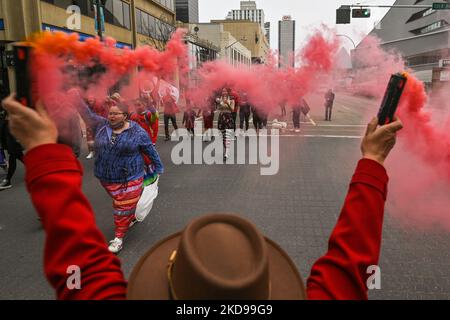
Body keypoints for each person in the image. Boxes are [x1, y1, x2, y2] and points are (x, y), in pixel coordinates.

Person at [2, 94, 404, 300]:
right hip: (111, 179)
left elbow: (81, 265)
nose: (111, 116)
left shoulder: (139, 130)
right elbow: (352, 266)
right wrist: (372, 162)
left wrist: (42, 148)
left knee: (123, 212)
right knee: (121, 208)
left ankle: (126, 225)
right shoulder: (107, 128)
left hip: (128, 180)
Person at [74, 93, 164, 253]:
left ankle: (118, 238)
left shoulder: (137, 132)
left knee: (121, 207)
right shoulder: (101, 125)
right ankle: (131, 213)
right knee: (120, 202)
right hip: (106, 177)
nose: (112, 116)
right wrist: (76, 98)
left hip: (130, 176)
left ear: (125, 116)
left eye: (116, 114)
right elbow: (87, 115)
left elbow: (150, 150)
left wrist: (158, 168)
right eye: (110, 113)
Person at [216, 88, 235, 160]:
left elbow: (232, 109)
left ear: (228, 92)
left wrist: (227, 103)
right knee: (223, 136)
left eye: (225, 91)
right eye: (223, 91)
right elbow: (219, 109)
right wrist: (219, 103)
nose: (224, 92)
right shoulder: (220, 99)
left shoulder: (232, 99)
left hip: (228, 117)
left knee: (228, 136)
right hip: (221, 117)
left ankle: (226, 154)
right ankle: (226, 150)